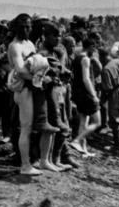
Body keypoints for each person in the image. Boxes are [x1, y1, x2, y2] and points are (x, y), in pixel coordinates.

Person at [7, 14, 57, 175]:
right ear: (16, 28)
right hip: (24, 89)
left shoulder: (29, 43)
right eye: (23, 27)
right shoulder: (15, 46)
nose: (27, 29)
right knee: (26, 127)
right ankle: (25, 165)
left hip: (33, 87)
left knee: (40, 124)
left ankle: (43, 161)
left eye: (28, 26)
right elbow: (21, 70)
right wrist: (41, 80)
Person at [69, 38, 102, 157]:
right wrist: (94, 95)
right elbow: (86, 79)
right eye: (94, 47)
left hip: (78, 93)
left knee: (84, 121)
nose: (95, 49)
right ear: (91, 46)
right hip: (86, 94)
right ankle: (77, 141)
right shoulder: (85, 59)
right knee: (97, 122)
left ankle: (84, 150)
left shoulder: (77, 58)